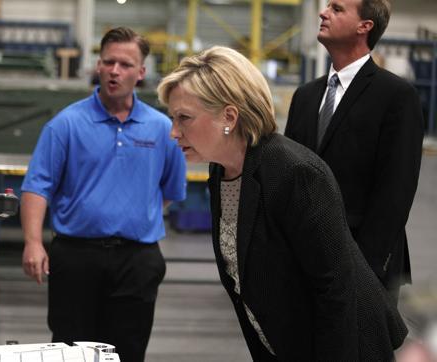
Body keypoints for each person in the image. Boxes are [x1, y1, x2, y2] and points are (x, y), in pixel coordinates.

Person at [157, 45, 407, 361]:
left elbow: (336, 293)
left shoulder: (294, 172)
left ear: (229, 117)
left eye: (184, 118)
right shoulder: (222, 170)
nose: (173, 132)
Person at [20, 27, 186, 362]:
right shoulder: (65, 124)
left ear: (141, 73)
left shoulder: (161, 129)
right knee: (69, 350)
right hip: (76, 257)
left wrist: (132, 214)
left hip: (137, 261)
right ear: (98, 65)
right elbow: (38, 186)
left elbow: (168, 191)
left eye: (125, 64)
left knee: (129, 350)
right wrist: (33, 242)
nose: (114, 71)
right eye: (109, 62)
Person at [284, 0, 424, 304]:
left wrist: (363, 270)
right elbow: (288, 178)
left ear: (365, 26)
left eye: (336, 9)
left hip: (365, 267)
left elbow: (395, 192)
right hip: (304, 262)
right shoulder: (305, 97)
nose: (323, 13)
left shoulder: (397, 97)